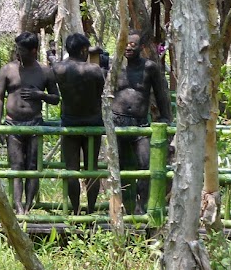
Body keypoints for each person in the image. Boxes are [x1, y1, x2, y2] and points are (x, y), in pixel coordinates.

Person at [0, 32, 59, 214]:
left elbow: (56, 98)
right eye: (16, 48)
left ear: (33, 50)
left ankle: (29, 206)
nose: (17, 52)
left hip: (35, 124)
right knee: (16, 167)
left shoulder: (45, 71)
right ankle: (18, 207)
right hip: (12, 124)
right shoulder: (7, 70)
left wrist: (41, 95)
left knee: (32, 166)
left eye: (21, 49)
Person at [113, 31, 171, 214]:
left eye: (133, 45)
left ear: (141, 48)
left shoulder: (149, 67)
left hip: (140, 124)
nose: (129, 48)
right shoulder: (114, 67)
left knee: (145, 165)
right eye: (126, 44)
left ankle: (141, 206)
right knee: (118, 165)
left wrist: (166, 117)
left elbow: (161, 93)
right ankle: (121, 206)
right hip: (117, 122)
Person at [53, 33, 106, 216]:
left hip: (69, 122)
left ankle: (75, 210)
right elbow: (100, 92)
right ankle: (90, 210)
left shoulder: (58, 68)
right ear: (84, 50)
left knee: (71, 169)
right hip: (92, 122)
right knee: (91, 168)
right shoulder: (95, 71)